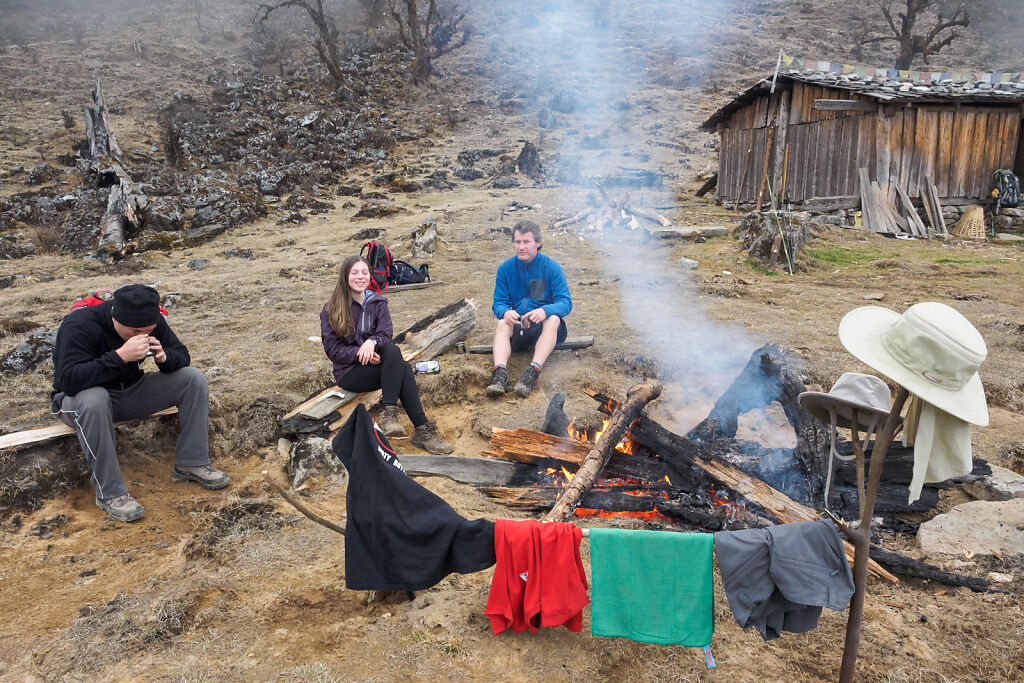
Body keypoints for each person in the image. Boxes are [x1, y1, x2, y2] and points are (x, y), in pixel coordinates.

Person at [51, 284, 229, 523]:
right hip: (80, 402)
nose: (142, 334)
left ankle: (193, 463)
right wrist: (119, 357)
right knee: (95, 399)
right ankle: (110, 493)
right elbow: (70, 380)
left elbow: (182, 354)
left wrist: (165, 358)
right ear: (115, 318)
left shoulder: (150, 323)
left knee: (193, 379)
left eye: (148, 329)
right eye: (135, 331)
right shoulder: (78, 325)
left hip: (130, 394)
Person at [321, 255, 454, 455]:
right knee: (404, 368)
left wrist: (371, 343)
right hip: (349, 373)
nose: (360, 277)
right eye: (355, 273)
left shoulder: (378, 302)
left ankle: (391, 415)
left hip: (376, 365)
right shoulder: (331, 308)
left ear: (370, 275)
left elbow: (385, 334)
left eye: (364, 272)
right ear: (345, 276)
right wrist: (360, 353)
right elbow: (333, 350)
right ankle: (421, 429)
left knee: (393, 351)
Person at [487, 220, 573, 398]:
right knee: (502, 323)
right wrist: (505, 311)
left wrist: (544, 311)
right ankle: (499, 374)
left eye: (526, 242)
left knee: (554, 318)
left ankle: (532, 372)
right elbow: (498, 302)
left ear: (538, 243)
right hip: (520, 328)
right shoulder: (505, 269)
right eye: (517, 242)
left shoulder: (551, 267)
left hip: (545, 328)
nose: (521, 247)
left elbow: (565, 302)